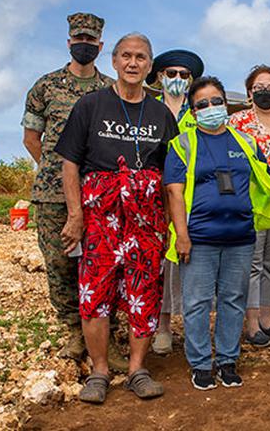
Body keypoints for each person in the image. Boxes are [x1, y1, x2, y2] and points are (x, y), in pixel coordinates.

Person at [55, 32, 178, 403]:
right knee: (95, 294)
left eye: (141, 57)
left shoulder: (160, 113)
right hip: (100, 217)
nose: (133, 63)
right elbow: (70, 164)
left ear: (149, 65)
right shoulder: (91, 105)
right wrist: (75, 216)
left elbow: (171, 174)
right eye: (126, 55)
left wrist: (171, 225)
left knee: (144, 293)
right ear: (114, 61)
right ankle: (100, 371)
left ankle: (138, 369)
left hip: (146, 220)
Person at [21, 12, 126, 370]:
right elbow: (31, 138)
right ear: (69, 43)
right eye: (78, 39)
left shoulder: (110, 90)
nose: (84, 45)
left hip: (101, 194)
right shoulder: (46, 86)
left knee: (102, 265)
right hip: (52, 194)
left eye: (91, 41)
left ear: (100, 46)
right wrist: (56, 169)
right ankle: (74, 331)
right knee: (59, 264)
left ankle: (106, 335)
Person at [164, 76, 270, 391]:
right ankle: (201, 364)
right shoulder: (183, 144)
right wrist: (182, 236)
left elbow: (265, 179)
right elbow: (175, 194)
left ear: (225, 104)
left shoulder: (246, 141)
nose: (211, 108)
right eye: (202, 104)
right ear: (193, 110)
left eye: (216, 101)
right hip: (199, 239)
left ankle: (227, 361)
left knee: (233, 300)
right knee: (197, 302)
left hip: (241, 238)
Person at [229, 65, 270, 348]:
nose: (264, 92)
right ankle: (252, 324)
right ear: (249, 92)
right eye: (258, 87)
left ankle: (267, 320)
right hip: (250, 203)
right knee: (252, 264)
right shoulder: (237, 122)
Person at [147, 48, 205, 356]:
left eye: (184, 75)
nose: (177, 79)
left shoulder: (198, 113)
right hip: (152, 196)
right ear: (159, 77)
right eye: (171, 74)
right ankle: (162, 326)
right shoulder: (147, 108)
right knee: (159, 263)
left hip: (192, 197)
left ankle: (194, 329)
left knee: (185, 262)